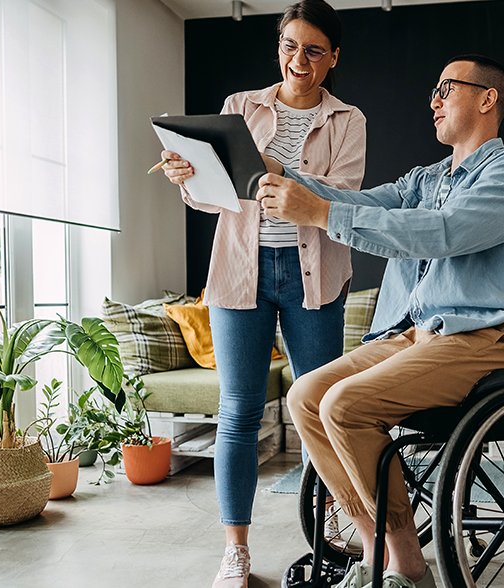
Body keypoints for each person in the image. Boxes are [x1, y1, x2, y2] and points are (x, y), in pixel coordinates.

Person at [258, 55, 504, 588]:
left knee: (344, 404)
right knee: (305, 397)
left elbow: (443, 232)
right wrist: (278, 175)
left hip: (492, 333)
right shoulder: (426, 178)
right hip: (419, 335)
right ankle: (384, 553)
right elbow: (355, 201)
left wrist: (322, 215)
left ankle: (400, 563)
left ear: (487, 99)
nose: (433, 99)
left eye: (446, 88)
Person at [158, 2, 365, 587]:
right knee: (239, 411)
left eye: (314, 50)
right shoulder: (239, 108)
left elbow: (342, 199)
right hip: (238, 272)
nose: (299, 61)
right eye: (289, 46)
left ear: (334, 58)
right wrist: (186, 177)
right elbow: (215, 195)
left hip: (314, 275)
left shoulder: (349, 119)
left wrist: (272, 167)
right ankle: (236, 550)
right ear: (279, 45)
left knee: (320, 413)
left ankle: (327, 528)